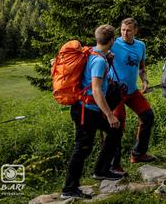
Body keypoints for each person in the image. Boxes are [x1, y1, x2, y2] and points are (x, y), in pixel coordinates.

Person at [61, 25, 123, 200]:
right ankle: (69, 189)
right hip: (85, 111)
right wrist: (110, 115)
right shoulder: (99, 61)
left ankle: (101, 170)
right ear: (111, 40)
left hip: (89, 110)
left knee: (115, 130)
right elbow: (96, 91)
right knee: (82, 148)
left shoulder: (92, 52)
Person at [109, 18, 155, 173]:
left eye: (128, 30)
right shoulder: (114, 44)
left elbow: (141, 67)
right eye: (122, 30)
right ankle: (113, 165)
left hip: (132, 91)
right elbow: (94, 53)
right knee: (117, 127)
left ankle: (138, 154)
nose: (124, 33)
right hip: (115, 92)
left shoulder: (141, 45)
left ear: (135, 30)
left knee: (148, 116)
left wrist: (145, 81)